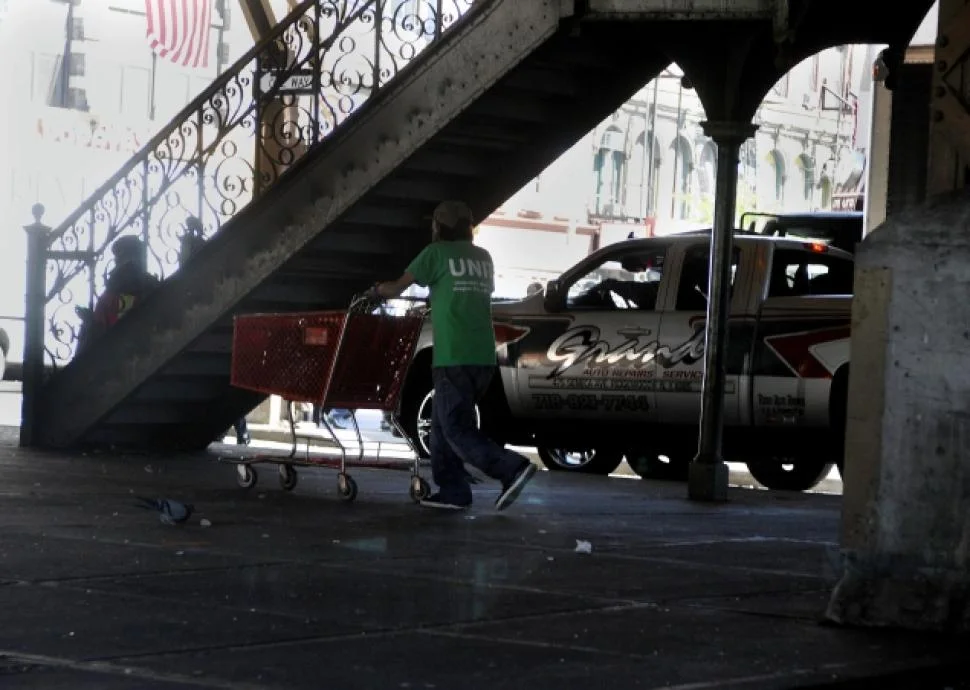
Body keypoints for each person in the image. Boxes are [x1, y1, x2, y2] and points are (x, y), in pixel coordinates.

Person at [370, 200, 536, 511]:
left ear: (440, 227)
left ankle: (511, 468)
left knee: (456, 427)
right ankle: (453, 492)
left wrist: (377, 291)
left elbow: (397, 288)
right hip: (483, 356)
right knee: (441, 426)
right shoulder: (483, 257)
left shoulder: (435, 254)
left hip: (453, 355)